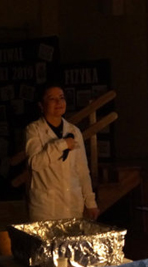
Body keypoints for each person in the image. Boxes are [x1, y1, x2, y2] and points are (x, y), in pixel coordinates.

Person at [25, 84, 100, 222]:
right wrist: (62, 145)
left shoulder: (74, 131)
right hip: (46, 209)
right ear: (41, 105)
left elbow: (82, 170)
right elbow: (35, 164)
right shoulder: (34, 130)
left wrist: (90, 202)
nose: (58, 102)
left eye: (61, 98)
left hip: (72, 206)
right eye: (52, 99)